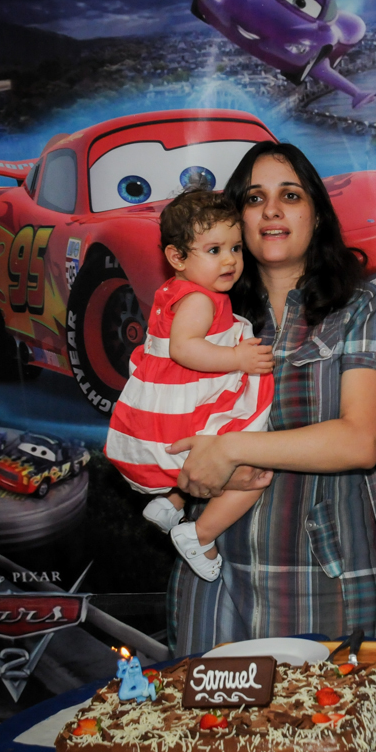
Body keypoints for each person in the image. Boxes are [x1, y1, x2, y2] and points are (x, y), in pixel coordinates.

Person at [164, 142, 376, 654]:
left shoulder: (359, 306)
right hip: (214, 573)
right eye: (254, 199)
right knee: (211, 734)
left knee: (328, 734)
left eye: (289, 195)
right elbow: (165, 428)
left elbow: (360, 442)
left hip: (326, 574)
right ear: (236, 221)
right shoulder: (203, 316)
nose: (271, 210)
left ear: (316, 215)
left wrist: (229, 449)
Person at [106, 189, 275, 583]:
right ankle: (200, 534)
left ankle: (171, 502)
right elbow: (184, 349)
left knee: (199, 462)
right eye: (214, 250)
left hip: (169, 401)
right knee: (253, 470)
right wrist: (237, 359)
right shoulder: (199, 300)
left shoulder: (176, 292)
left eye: (235, 247)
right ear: (177, 257)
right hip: (185, 404)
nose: (231, 259)